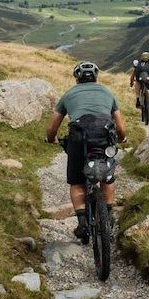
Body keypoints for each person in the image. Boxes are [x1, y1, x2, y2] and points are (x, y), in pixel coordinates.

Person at [44, 60, 127, 242]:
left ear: (77, 78)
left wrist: (51, 139)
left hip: (79, 137)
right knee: (108, 176)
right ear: (96, 77)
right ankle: (109, 213)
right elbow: (120, 126)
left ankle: (82, 222)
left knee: (76, 181)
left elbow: (52, 127)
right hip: (105, 135)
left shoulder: (69, 94)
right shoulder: (107, 92)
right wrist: (122, 138)